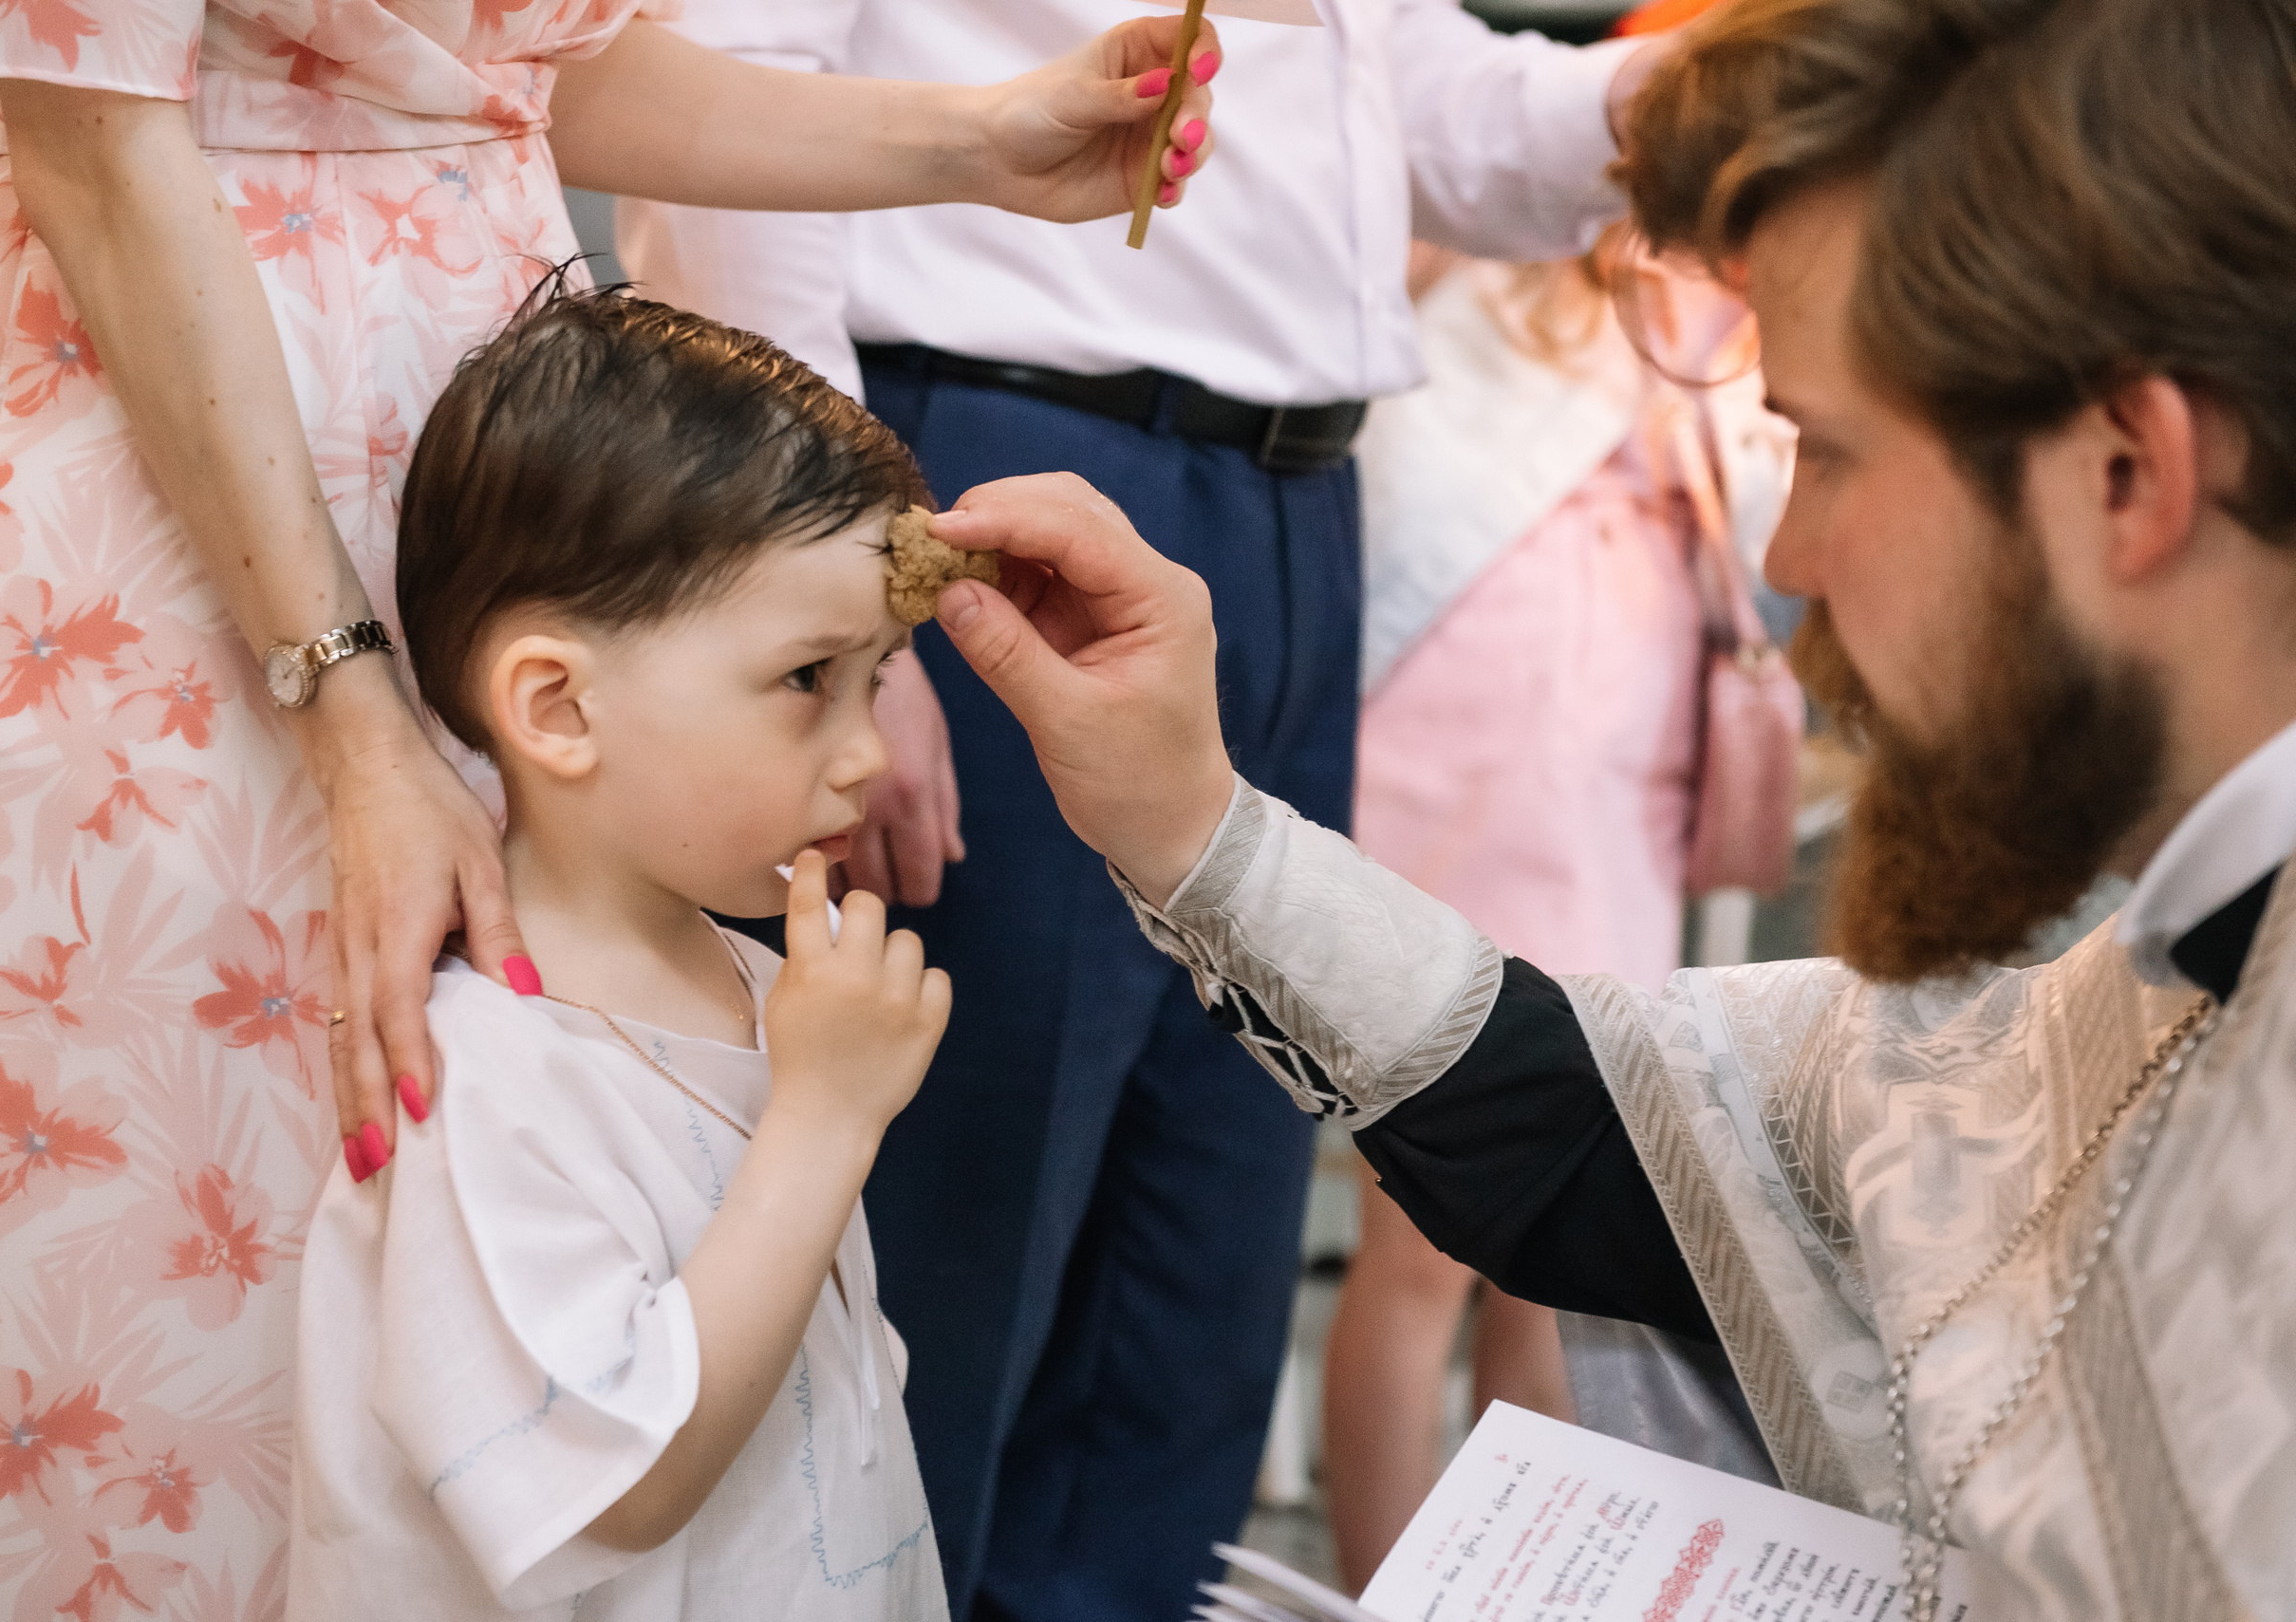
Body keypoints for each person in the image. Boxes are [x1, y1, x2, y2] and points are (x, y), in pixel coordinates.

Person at [885, 0, 2296, 1613]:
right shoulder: (2162, 977)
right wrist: (1195, 823)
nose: (1786, 562)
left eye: (1819, 451)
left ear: (2132, 473)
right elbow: (1611, 1137)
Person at [0, 2, 1213, 1612]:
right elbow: (98, 146)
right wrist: (352, 701)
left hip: (510, 446)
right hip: (198, 499)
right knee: (200, 1308)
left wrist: (970, 139)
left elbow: (513, 67)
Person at [614, 9, 1670, 1614]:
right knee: (947, 1268)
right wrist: (823, 552)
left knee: (1196, 1274)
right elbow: (731, 74)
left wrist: (1758, 64)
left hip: (1295, 508)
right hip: (984, 459)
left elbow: (1440, 116)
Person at [290, 290, 954, 1618]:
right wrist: (824, 1120)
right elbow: (617, 1481)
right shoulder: (479, 1075)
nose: (871, 748)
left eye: (876, 677)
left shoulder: (774, 993)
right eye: (808, 676)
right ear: (558, 705)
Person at [1324, 239, 1793, 1586]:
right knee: (1418, 1240)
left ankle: (1507, 1588)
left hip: (1614, 806)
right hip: (1454, 783)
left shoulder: (1756, 350)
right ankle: (1382, 1581)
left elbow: (1775, 541)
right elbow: (1397, 490)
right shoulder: (1495, 292)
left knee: (1561, 1251)